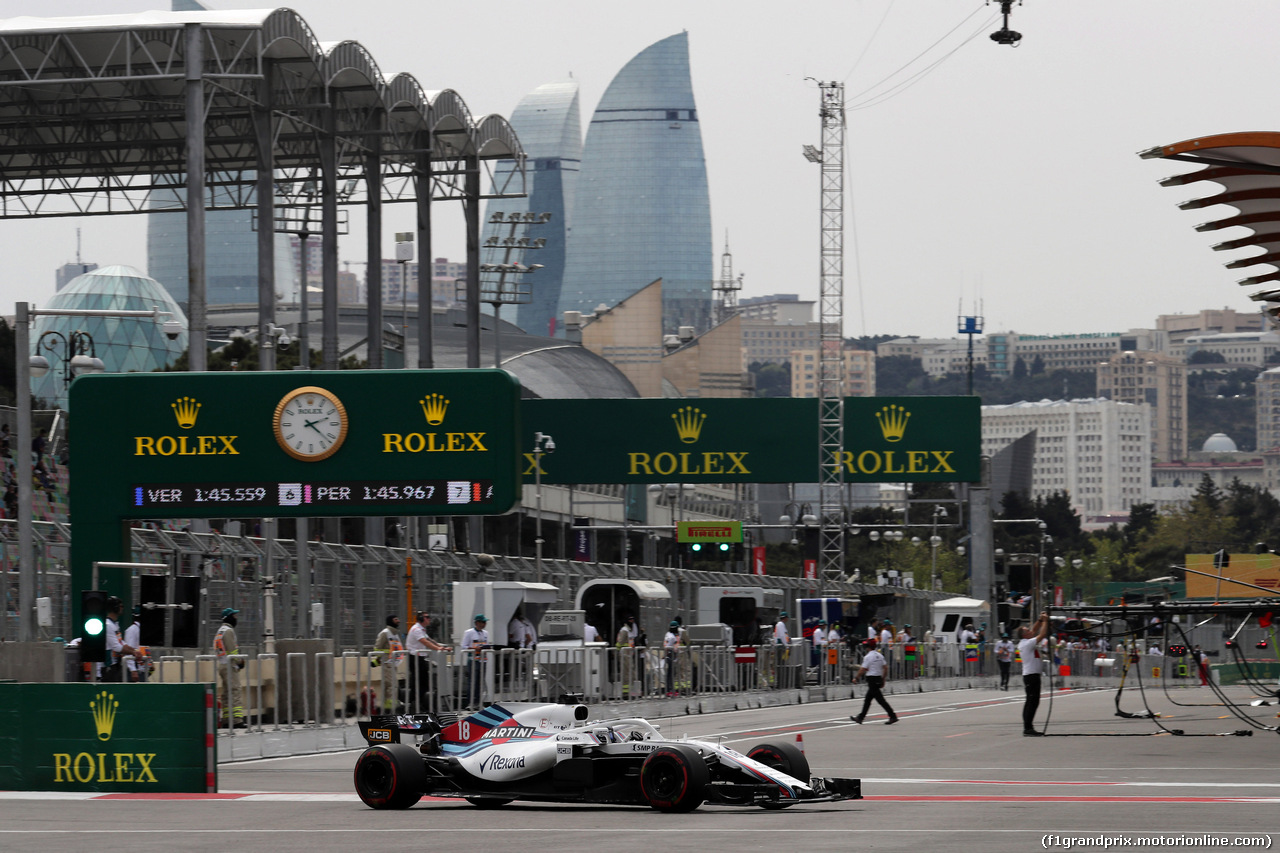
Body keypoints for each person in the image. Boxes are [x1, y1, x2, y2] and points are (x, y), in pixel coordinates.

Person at [404, 611, 451, 710]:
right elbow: (425, 642)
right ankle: (415, 704)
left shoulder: (422, 630)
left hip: (420, 658)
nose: (429, 619)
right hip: (415, 658)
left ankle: (420, 703)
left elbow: (430, 640)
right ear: (421, 619)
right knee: (418, 682)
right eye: (427, 617)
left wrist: (442, 647)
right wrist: (438, 649)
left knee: (424, 682)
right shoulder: (416, 629)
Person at [850, 638, 898, 725]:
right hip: (878, 678)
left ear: (868, 647)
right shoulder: (880, 656)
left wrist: (856, 678)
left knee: (880, 700)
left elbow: (862, 669)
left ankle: (893, 716)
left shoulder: (868, 657)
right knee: (868, 700)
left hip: (872, 680)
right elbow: (885, 668)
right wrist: (883, 679)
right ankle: (860, 717)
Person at [1018, 612, 1051, 736]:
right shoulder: (1027, 643)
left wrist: (1040, 619)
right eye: (1028, 630)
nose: (1031, 631)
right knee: (1032, 702)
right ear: (1024, 635)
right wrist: (1046, 621)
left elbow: (1034, 629)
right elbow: (1042, 634)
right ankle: (1027, 728)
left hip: (1032, 675)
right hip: (1031, 675)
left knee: (1032, 701)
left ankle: (1028, 726)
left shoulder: (1025, 641)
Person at [214, 607, 245, 727]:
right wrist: (239, 662)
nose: (236, 618)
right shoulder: (228, 631)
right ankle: (237, 720)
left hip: (222, 664)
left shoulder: (220, 631)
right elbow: (232, 650)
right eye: (234, 616)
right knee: (235, 690)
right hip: (229, 665)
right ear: (228, 618)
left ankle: (226, 719)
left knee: (226, 693)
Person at [101, 597, 141, 684]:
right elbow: (117, 647)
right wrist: (133, 653)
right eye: (121, 606)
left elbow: (121, 642)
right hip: (109, 666)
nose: (122, 608)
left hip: (116, 665)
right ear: (115, 607)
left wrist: (134, 651)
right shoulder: (108, 625)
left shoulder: (114, 624)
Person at [371, 614, 405, 712]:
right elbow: (377, 648)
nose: (398, 621)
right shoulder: (385, 633)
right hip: (387, 662)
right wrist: (380, 659)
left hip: (393, 663)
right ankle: (390, 706)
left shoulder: (395, 634)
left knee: (393, 684)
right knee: (391, 684)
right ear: (390, 621)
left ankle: (389, 705)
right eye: (396, 619)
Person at [461, 614, 490, 706]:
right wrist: (474, 649)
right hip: (473, 660)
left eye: (485, 622)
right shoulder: (469, 632)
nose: (484, 624)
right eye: (483, 622)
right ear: (477, 623)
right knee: (472, 681)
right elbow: (463, 646)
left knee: (480, 681)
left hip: (483, 660)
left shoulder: (485, 633)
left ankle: (478, 701)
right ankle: (470, 702)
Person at [123, 604, 147, 683]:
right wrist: (133, 670)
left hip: (142, 668)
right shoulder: (132, 630)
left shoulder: (141, 630)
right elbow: (129, 651)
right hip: (135, 670)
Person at [616, 615, 637, 697]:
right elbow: (619, 642)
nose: (632, 621)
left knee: (630, 671)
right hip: (624, 653)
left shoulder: (630, 630)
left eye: (633, 619)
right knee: (625, 672)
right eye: (630, 619)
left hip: (629, 653)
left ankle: (629, 690)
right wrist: (617, 650)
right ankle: (625, 691)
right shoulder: (624, 630)